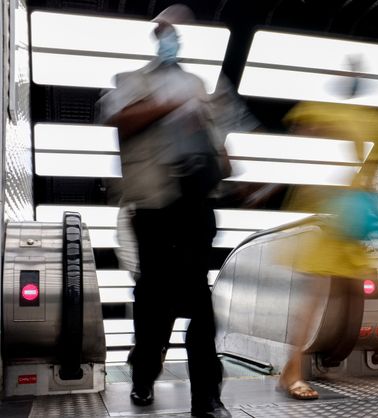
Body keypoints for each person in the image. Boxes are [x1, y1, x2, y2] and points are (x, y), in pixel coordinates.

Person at [98, 5, 231, 417]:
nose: (172, 37)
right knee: (154, 302)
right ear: (157, 38)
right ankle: (143, 371)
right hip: (152, 206)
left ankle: (207, 397)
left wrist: (219, 159)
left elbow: (224, 154)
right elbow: (119, 119)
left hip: (195, 204)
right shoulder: (131, 80)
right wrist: (169, 104)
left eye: (177, 31)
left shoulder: (199, 84)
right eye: (166, 30)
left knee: (198, 299)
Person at [270, 71, 378, 400]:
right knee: (317, 297)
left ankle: (312, 364)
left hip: (353, 217)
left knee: (352, 295)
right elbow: (305, 134)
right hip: (334, 218)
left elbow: (372, 169)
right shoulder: (330, 113)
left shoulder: (373, 122)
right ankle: (292, 372)